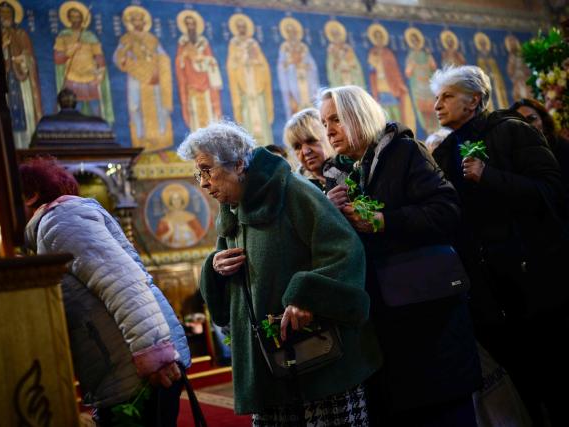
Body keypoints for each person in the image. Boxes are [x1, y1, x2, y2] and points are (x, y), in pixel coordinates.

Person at [177, 121, 381, 426]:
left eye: (207, 170)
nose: (203, 183)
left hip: (320, 356)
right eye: (199, 174)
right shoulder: (232, 209)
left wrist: (307, 298)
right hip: (267, 364)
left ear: (238, 164)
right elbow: (229, 271)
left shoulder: (293, 191)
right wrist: (215, 267)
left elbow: (343, 249)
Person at [319, 85, 481, 426]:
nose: (329, 130)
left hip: (427, 314)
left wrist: (383, 221)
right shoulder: (335, 176)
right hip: (379, 323)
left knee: (443, 414)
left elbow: (447, 209)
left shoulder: (406, 152)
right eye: (324, 123)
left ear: (359, 116)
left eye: (336, 119)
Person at [430, 65, 569, 426]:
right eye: (436, 98)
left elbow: (550, 191)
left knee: (555, 379)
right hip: (489, 294)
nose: (436, 105)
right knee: (519, 388)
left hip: (535, 283)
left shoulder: (513, 132)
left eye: (446, 96)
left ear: (474, 100)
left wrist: (488, 176)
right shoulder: (444, 152)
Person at [20, 157, 190, 427]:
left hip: (136, 368)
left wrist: (155, 355)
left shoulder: (60, 221)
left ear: (31, 195)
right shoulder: (54, 227)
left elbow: (123, 284)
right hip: (124, 366)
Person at [113, 5, 173, 152]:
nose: (137, 23)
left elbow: (163, 56)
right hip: (137, 79)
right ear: (130, 22)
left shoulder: (152, 39)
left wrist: (159, 69)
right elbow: (118, 57)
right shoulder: (126, 38)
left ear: (144, 22)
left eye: (140, 20)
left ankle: (160, 146)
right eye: (134, 20)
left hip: (154, 79)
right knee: (135, 108)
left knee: (159, 109)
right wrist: (131, 63)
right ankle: (140, 145)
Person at [54, 1, 114, 124]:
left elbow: (99, 57)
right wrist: (70, 50)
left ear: (83, 19)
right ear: (68, 19)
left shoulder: (90, 36)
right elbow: (58, 58)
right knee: (74, 107)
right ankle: (75, 132)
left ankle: (99, 131)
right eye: (73, 16)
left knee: (95, 107)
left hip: (90, 76)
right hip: (72, 77)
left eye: (78, 16)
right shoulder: (63, 36)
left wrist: (100, 73)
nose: (76, 19)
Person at [0, 0, 43, 149]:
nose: (5, 17)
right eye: (2, 14)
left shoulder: (21, 34)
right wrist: (3, 46)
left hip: (21, 80)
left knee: (23, 115)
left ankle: (26, 146)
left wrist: (23, 59)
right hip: (2, 81)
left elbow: (29, 57)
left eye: (8, 13)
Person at [227, 13, 274, 146]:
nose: (241, 29)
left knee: (260, 115)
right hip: (244, 89)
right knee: (247, 116)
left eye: (243, 26)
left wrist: (254, 61)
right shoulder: (234, 44)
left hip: (256, 86)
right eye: (239, 26)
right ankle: (250, 147)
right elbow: (231, 66)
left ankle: (268, 146)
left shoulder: (253, 43)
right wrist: (241, 62)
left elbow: (263, 64)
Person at [510, 97, 569, 204]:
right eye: (521, 123)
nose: (528, 126)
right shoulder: (517, 159)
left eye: (532, 118)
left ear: (543, 119)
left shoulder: (562, 147)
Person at [283, 107, 352, 192]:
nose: (305, 151)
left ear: (329, 136)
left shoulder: (354, 168)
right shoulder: (296, 190)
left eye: (311, 141)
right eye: (297, 147)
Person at [175, 9, 223, 131]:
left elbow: (211, 60)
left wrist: (203, 59)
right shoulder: (183, 43)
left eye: (193, 24)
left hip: (206, 85)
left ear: (196, 25)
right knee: (195, 116)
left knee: (209, 113)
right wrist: (184, 56)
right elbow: (179, 62)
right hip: (191, 85)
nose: (191, 27)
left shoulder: (203, 43)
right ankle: (197, 146)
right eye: (188, 24)